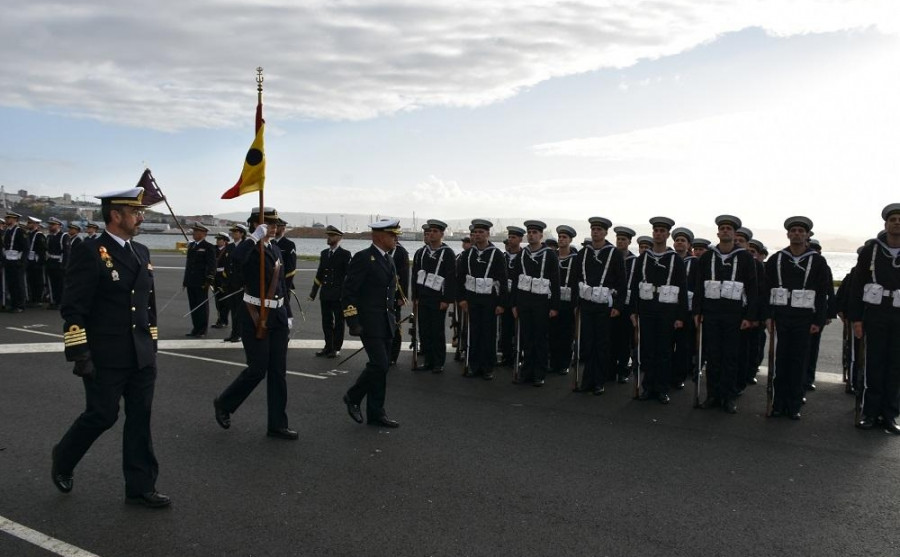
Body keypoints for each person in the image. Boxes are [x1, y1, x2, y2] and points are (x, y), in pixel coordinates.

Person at [51, 186, 170, 508]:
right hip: (106, 354)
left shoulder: (141, 251)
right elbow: (73, 306)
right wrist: (79, 351)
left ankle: (140, 487)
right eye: (135, 212)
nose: (141, 217)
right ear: (116, 215)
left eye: (141, 212)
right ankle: (63, 457)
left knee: (140, 418)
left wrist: (152, 343)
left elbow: (148, 304)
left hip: (141, 352)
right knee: (102, 415)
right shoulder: (90, 251)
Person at [214, 207, 297, 440]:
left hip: (278, 316)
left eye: (274, 223)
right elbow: (235, 263)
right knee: (258, 369)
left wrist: (288, 313)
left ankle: (277, 425)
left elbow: (281, 286)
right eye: (267, 223)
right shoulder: (249, 248)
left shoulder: (277, 250)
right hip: (254, 315)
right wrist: (252, 238)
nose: (273, 226)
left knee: (278, 373)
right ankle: (224, 403)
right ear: (254, 224)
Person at [764, 216, 831, 420]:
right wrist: (767, 316)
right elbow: (765, 289)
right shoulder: (776, 259)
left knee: (799, 363)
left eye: (801, 231)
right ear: (787, 234)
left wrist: (818, 321)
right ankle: (777, 403)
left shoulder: (818, 261)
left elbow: (823, 293)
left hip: (804, 319)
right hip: (781, 316)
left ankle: (793, 404)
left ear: (808, 235)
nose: (797, 234)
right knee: (780, 362)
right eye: (793, 231)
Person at [341, 218, 405, 428]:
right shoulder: (362, 258)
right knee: (379, 364)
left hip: (386, 322)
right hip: (369, 323)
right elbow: (349, 292)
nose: (396, 239)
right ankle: (353, 396)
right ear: (378, 236)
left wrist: (393, 319)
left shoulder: (389, 259)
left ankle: (376, 412)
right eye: (392, 235)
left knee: (382, 368)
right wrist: (352, 321)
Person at [693, 215, 759, 414]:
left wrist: (750, 316)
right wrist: (697, 311)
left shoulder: (745, 257)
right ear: (718, 232)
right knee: (713, 357)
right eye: (722, 228)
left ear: (734, 233)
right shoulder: (707, 257)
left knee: (730, 357)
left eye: (729, 228)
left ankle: (728, 397)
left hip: (734, 315)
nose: (725, 231)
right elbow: (698, 285)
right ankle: (712, 395)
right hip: (712, 314)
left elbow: (753, 288)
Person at [848, 203, 900, 433]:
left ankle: (890, 415)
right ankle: (869, 413)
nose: (897, 223)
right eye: (893, 219)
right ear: (885, 224)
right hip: (875, 314)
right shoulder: (872, 250)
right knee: (872, 364)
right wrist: (857, 319)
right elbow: (858, 285)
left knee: (895, 366)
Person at [629, 217, 687, 403]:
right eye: (656, 230)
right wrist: (633, 311)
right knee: (647, 350)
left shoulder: (675, 259)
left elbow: (682, 288)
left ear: (668, 234)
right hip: (646, 309)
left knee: (664, 351)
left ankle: (662, 388)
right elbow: (635, 284)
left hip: (667, 311)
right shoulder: (643, 258)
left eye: (662, 231)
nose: (659, 234)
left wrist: (680, 316)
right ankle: (648, 387)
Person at [572, 217, 626, 394]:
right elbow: (576, 278)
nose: (596, 232)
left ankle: (599, 381)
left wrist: (618, 305)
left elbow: (621, 281)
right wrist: (576, 303)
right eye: (593, 229)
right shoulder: (583, 253)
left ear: (605, 232)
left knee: (601, 344)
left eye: (599, 230)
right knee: (588, 343)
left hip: (604, 305)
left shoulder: (614, 253)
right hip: (587, 304)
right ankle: (587, 380)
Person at [510, 220, 560, 386]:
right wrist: (514, 304)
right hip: (524, 302)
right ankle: (526, 371)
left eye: (534, 232)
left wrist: (554, 306)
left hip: (541, 303)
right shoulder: (522, 254)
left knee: (540, 339)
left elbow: (555, 281)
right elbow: (516, 280)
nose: (531, 235)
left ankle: (539, 372)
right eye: (529, 232)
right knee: (527, 338)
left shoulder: (550, 255)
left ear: (541, 235)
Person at [457, 219, 508, 380]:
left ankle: (487, 367)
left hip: (489, 300)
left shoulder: (497, 254)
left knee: (488, 333)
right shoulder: (467, 254)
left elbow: (503, 280)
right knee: (473, 333)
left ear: (488, 234)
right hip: (472, 298)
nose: (478, 235)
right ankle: (473, 365)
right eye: (475, 232)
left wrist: (501, 303)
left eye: (481, 232)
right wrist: (462, 299)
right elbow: (460, 278)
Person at [411, 219, 456, 372]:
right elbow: (415, 276)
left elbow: (450, 278)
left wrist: (446, 299)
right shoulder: (421, 252)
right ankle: (428, 360)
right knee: (424, 330)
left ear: (442, 234)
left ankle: (438, 362)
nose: (431, 234)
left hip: (438, 298)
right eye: (429, 231)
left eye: (435, 232)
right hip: (423, 296)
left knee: (437, 331)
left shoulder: (448, 253)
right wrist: (415, 296)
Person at [309, 225, 351, 357]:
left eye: (332, 236)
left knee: (339, 322)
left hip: (338, 294)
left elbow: (348, 276)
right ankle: (328, 346)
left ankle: (336, 348)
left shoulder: (345, 254)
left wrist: (346, 294)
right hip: (326, 293)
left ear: (339, 238)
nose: (329, 238)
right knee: (326, 322)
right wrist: (313, 293)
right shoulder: (324, 253)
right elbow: (320, 274)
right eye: (328, 235)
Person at [549, 225, 579, 375]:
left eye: (564, 237)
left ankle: (564, 363)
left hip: (568, 301)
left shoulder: (575, 260)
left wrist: (576, 305)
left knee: (566, 334)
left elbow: (577, 282)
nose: (561, 240)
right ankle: (553, 362)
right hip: (554, 299)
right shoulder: (552, 256)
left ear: (570, 240)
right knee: (552, 333)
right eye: (560, 237)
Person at [611, 226, 637, 383]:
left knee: (624, 340)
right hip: (612, 302)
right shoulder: (611, 257)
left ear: (629, 241)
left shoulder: (635, 261)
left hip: (627, 305)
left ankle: (623, 369)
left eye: (623, 239)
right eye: (618, 239)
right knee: (610, 337)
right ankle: (610, 369)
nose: (620, 242)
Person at [183, 223, 216, 337]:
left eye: (197, 232)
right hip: (191, 281)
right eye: (194, 231)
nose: (194, 233)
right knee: (193, 306)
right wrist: (185, 281)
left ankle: (202, 330)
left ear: (204, 234)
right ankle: (195, 328)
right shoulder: (192, 246)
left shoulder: (208, 247)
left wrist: (209, 279)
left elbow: (211, 265)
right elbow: (189, 266)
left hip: (202, 282)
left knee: (201, 306)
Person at [499, 226, 525, 367]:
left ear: (520, 239)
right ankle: (507, 356)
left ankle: (519, 355)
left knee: (520, 330)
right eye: (509, 237)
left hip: (518, 298)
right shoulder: (503, 257)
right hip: (505, 298)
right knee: (506, 330)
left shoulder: (524, 256)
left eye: (513, 237)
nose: (510, 240)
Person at [223, 224, 248, 342]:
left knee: (240, 310)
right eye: (232, 232)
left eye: (236, 232)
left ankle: (240, 333)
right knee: (233, 310)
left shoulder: (246, 246)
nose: (233, 233)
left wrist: (244, 282)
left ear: (242, 233)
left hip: (241, 285)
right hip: (230, 284)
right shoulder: (229, 247)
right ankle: (234, 333)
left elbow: (247, 266)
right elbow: (227, 266)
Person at [2, 211, 28, 312]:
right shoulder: (7, 231)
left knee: (18, 284)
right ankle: (14, 304)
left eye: (9, 218)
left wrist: (21, 261)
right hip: (8, 260)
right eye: (7, 218)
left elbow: (25, 248)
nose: (7, 220)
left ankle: (20, 305)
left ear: (15, 220)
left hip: (17, 260)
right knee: (11, 283)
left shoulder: (20, 231)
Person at [211, 232, 232, 329]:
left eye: (220, 239)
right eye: (217, 239)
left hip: (224, 277)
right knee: (217, 300)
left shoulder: (229, 250)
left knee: (225, 300)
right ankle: (220, 319)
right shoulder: (213, 249)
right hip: (215, 277)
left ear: (225, 241)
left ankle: (224, 320)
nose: (217, 241)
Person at [25, 216, 47, 307]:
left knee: (38, 281)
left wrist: (40, 263)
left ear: (35, 224)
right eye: (28, 223)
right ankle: (32, 298)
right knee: (30, 280)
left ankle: (38, 299)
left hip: (37, 262)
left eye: (30, 223)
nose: (28, 225)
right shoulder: (29, 234)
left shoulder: (39, 235)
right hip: (29, 261)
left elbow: (42, 251)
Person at [45, 217, 66, 309]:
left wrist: (63, 265)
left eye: (53, 225)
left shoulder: (63, 236)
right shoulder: (50, 236)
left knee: (60, 284)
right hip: (51, 262)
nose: (50, 226)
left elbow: (66, 252)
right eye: (50, 225)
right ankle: (53, 300)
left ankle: (60, 302)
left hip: (59, 263)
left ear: (59, 226)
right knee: (52, 283)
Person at [274, 218, 298, 291]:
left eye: (277, 226)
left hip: (283, 284)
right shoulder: (270, 243)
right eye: (274, 226)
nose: (275, 228)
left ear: (283, 228)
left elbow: (291, 268)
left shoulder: (289, 245)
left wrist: (285, 286)